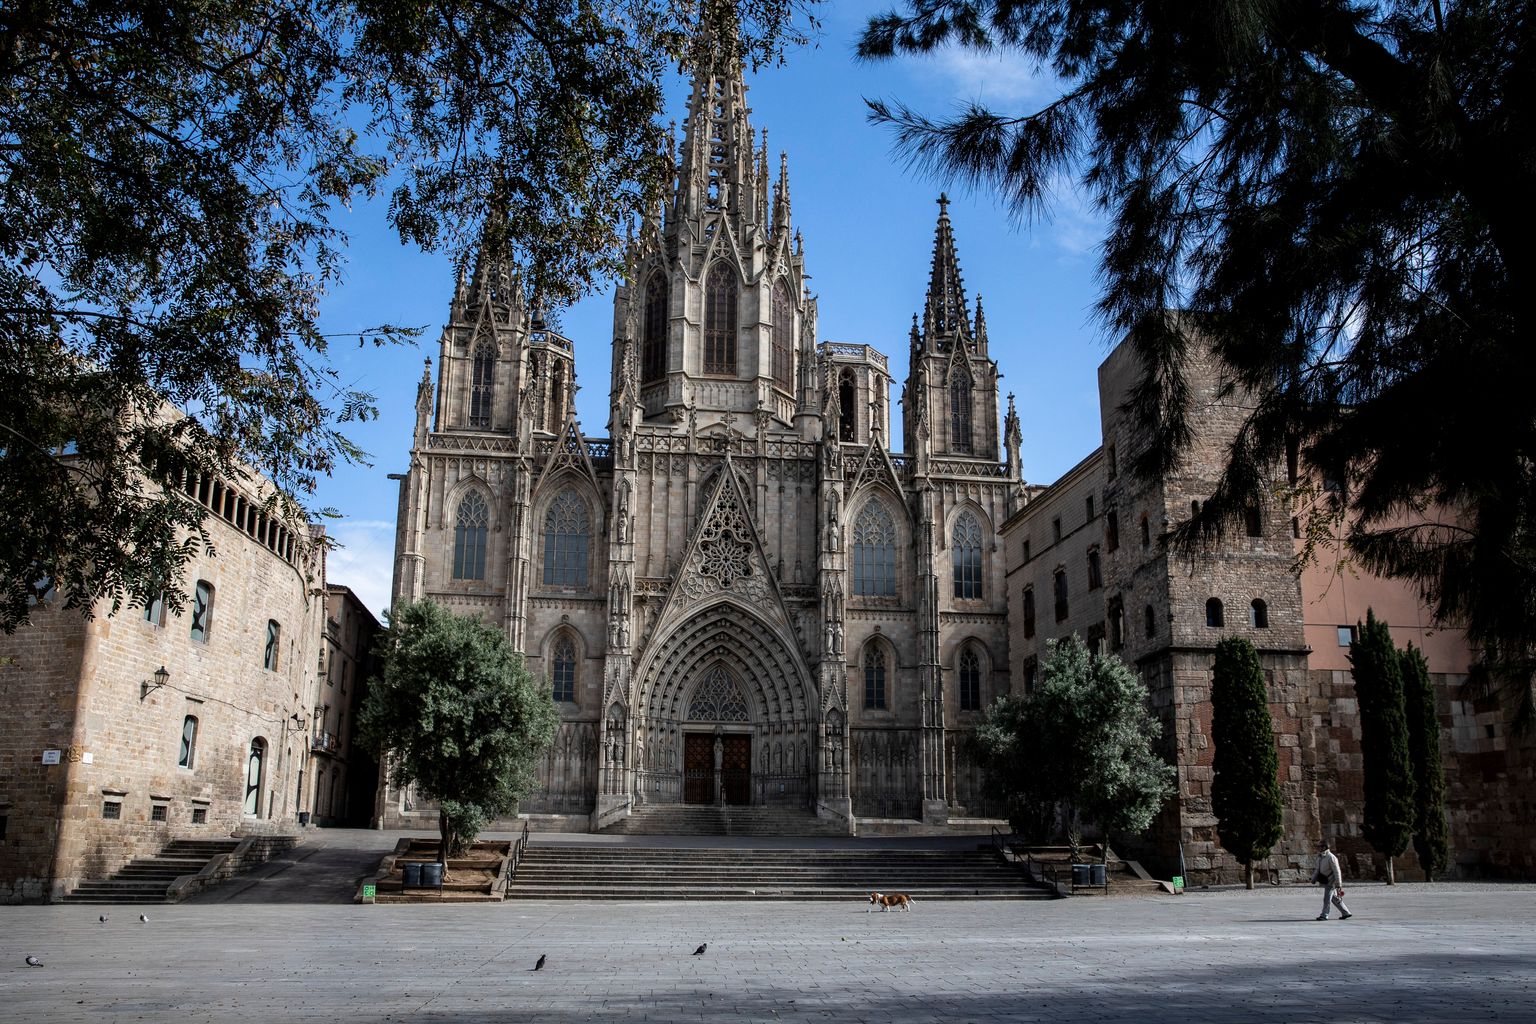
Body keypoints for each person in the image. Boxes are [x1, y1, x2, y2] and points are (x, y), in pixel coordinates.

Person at [1313, 838, 1352, 920]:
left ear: (1324, 847)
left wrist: (1338, 883)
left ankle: (1324, 915)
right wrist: (1313, 878)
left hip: (1331, 881)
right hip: (1325, 880)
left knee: (1327, 898)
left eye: (1320, 846)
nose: (1318, 848)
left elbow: (1337, 871)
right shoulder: (1320, 857)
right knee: (1334, 898)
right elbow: (1317, 869)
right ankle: (1346, 912)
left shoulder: (1331, 857)